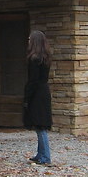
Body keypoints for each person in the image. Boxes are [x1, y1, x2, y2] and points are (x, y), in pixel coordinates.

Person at [23, 30, 53, 165]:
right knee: (40, 124)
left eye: (30, 39)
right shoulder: (46, 57)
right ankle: (41, 153)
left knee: (40, 126)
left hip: (37, 94)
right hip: (44, 92)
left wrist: (27, 96)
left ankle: (45, 156)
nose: (28, 41)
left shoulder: (34, 59)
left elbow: (33, 80)